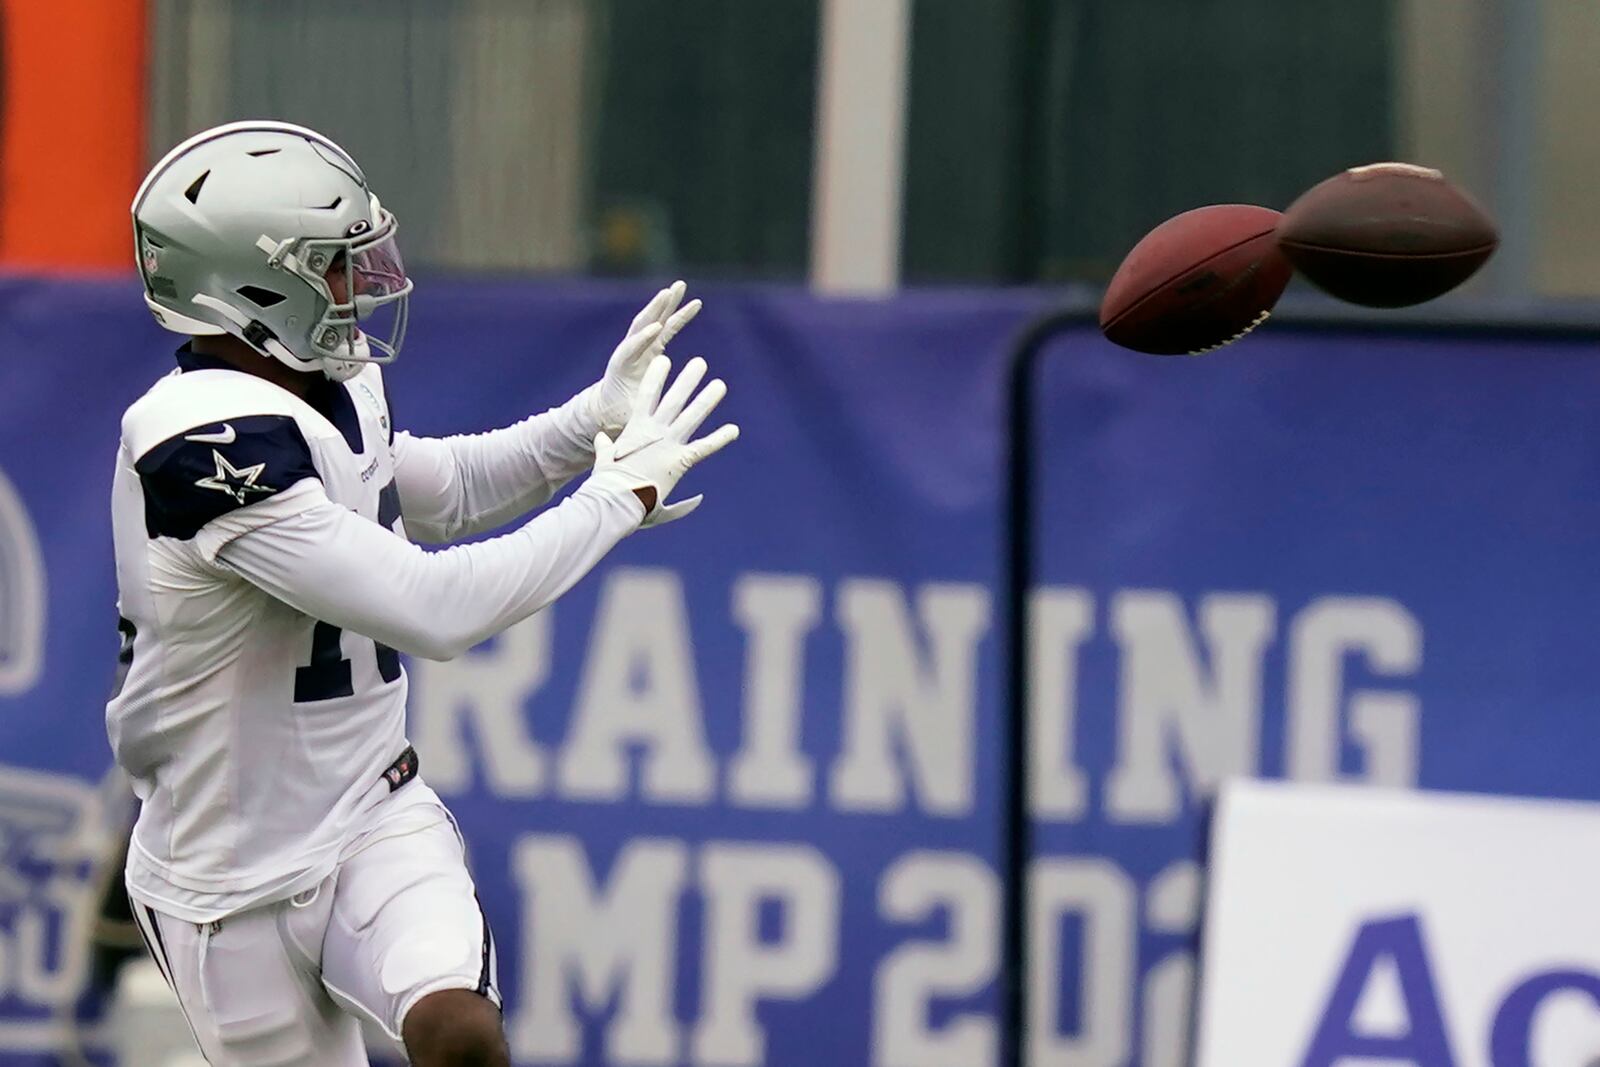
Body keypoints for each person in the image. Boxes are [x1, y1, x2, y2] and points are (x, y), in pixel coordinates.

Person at [106, 120, 737, 1067]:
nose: (362, 283)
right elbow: (433, 608)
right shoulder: (200, 439)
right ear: (251, 285)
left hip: (370, 814)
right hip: (220, 878)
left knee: (460, 1032)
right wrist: (616, 498)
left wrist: (586, 427)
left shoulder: (332, 381)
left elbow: (435, 490)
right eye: (332, 264)